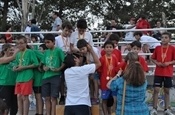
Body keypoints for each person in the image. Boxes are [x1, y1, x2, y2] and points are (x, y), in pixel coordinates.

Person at [63, 44, 101, 115]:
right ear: (75, 60)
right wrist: (91, 50)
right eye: (77, 57)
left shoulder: (66, 72)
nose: (79, 58)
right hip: (82, 104)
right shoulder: (83, 69)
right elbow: (98, 64)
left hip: (69, 105)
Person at [150, 32, 175, 115]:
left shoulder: (172, 48)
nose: (163, 39)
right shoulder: (157, 48)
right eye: (162, 37)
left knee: (167, 90)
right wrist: (157, 63)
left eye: (166, 37)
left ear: (169, 39)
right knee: (156, 89)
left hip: (168, 72)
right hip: (158, 72)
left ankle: (166, 109)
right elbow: (152, 58)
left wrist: (168, 63)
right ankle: (154, 108)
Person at [13, 35, 39, 115]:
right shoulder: (18, 54)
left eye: (21, 43)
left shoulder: (30, 52)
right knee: (18, 97)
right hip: (19, 77)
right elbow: (17, 64)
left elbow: (36, 64)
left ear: (25, 43)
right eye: (18, 44)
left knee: (24, 97)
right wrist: (15, 67)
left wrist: (24, 67)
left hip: (27, 77)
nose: (19, 45)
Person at [42, 34, 65, 115]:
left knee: (53, 97)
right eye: (45, 43)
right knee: (47, 98)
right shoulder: (46, 52)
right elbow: (43, 64)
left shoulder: (58, 50)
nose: (47, 44)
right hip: (45, 76)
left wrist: (58, 69)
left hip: (55, 76)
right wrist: (44, 67)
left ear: (54, 42)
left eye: (48, 42)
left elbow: (64, 62)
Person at [77, 39, 101, 104]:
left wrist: (91, 50)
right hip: (90, 68)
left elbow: (98, 63)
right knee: (90, 80)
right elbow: (81, 63)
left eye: (83, 49)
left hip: (97, 68)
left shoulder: (94, 50)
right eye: (80, 50)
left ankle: (96, 96)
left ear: (87, 46)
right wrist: (81, 55)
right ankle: (92, 96)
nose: (82, 51)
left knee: (94, 79)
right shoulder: (84, 53)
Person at [98, 41, 119, 115]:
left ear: (113, 48)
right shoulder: (102, 59)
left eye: (110, 47)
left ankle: (110, 113)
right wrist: (99, 80)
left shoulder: (115, 58)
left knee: (112, 100)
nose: (109, 49)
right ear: (104, 49)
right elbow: (99, 71)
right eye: (107, 47)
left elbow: (117, 69)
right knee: (104, 99)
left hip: (113, 82)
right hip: (104, 82)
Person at [0, 44, 18, 115]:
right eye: (10, 50)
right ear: (5, 50)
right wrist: (17, 50)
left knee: (14, 106)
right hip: (4, 84)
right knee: (5, 105)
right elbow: (12, 57)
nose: (12, 52)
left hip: (14, 84)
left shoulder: (15, 60)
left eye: (13, 50)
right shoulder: (1, 59)